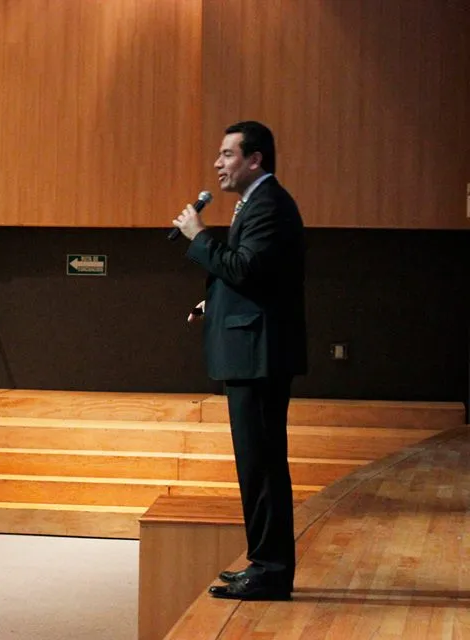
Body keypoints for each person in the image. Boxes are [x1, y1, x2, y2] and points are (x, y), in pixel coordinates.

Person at [172, 120, 306, 601]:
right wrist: (215, 304)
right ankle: (262, 561)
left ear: (255, 160)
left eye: (227, 155)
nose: (217, 163)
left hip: (261, 356)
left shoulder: (269, 204)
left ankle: (271, 569)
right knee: (255, 464)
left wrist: (198, 235)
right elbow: (258, 279)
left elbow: (246, 268)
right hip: (252, 350)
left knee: (263, 465)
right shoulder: (258, 203)